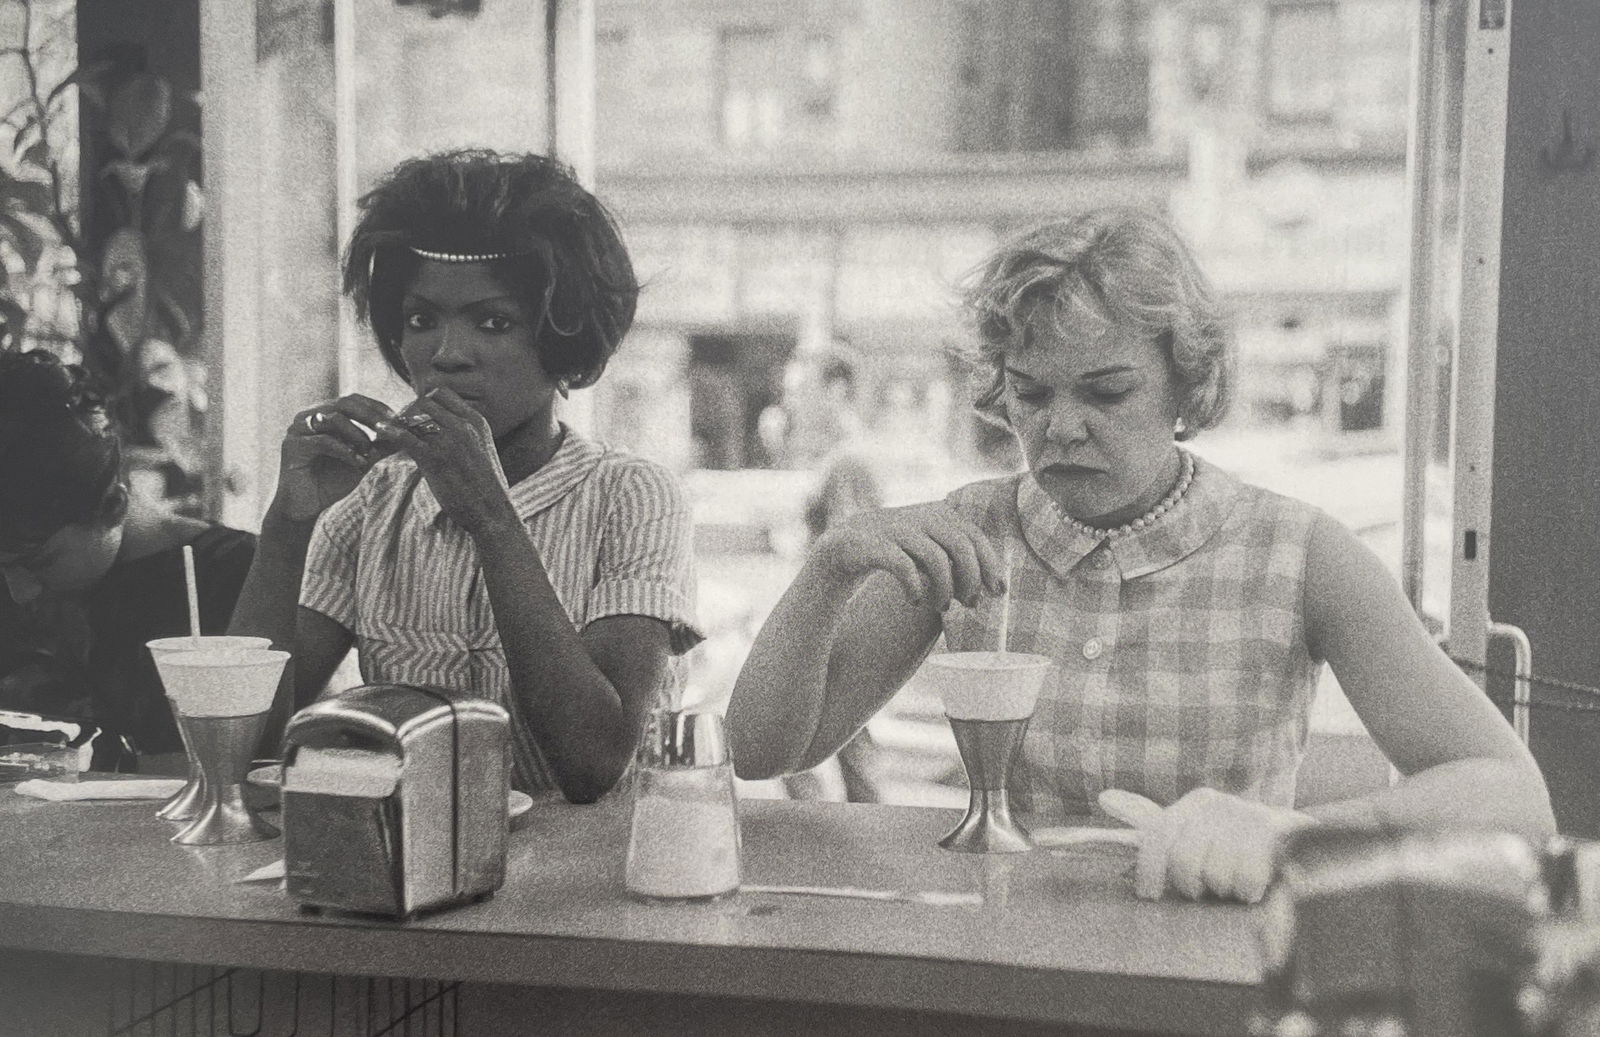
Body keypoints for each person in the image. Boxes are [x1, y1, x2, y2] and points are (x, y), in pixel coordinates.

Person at [727, 207, 1554, 902]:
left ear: (1187, 386)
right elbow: (765, 752)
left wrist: (1290, 834)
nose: (1061, 426)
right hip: (1006, 967)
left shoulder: (1299, 555)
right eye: (1031, 392)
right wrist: (828, 571)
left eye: (1107, 390)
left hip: (1213, 975)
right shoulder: (971, 535)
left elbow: (1513, 798)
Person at [229, 149, 700, 802]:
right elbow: (243, 746)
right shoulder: (373, 505)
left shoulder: (631, 497)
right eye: (421, 320)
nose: (447, 354)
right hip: (413, 858)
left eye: (493, 323)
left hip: (598, 862)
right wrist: (287, 527)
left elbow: (593, 762)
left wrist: (493, 520)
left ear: (563, 343)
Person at [0, 348, 256, 769]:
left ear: (115, 506)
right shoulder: (23, 561)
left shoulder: (236, 574)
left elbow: (240, 766)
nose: (19, 593)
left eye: (39, 563)